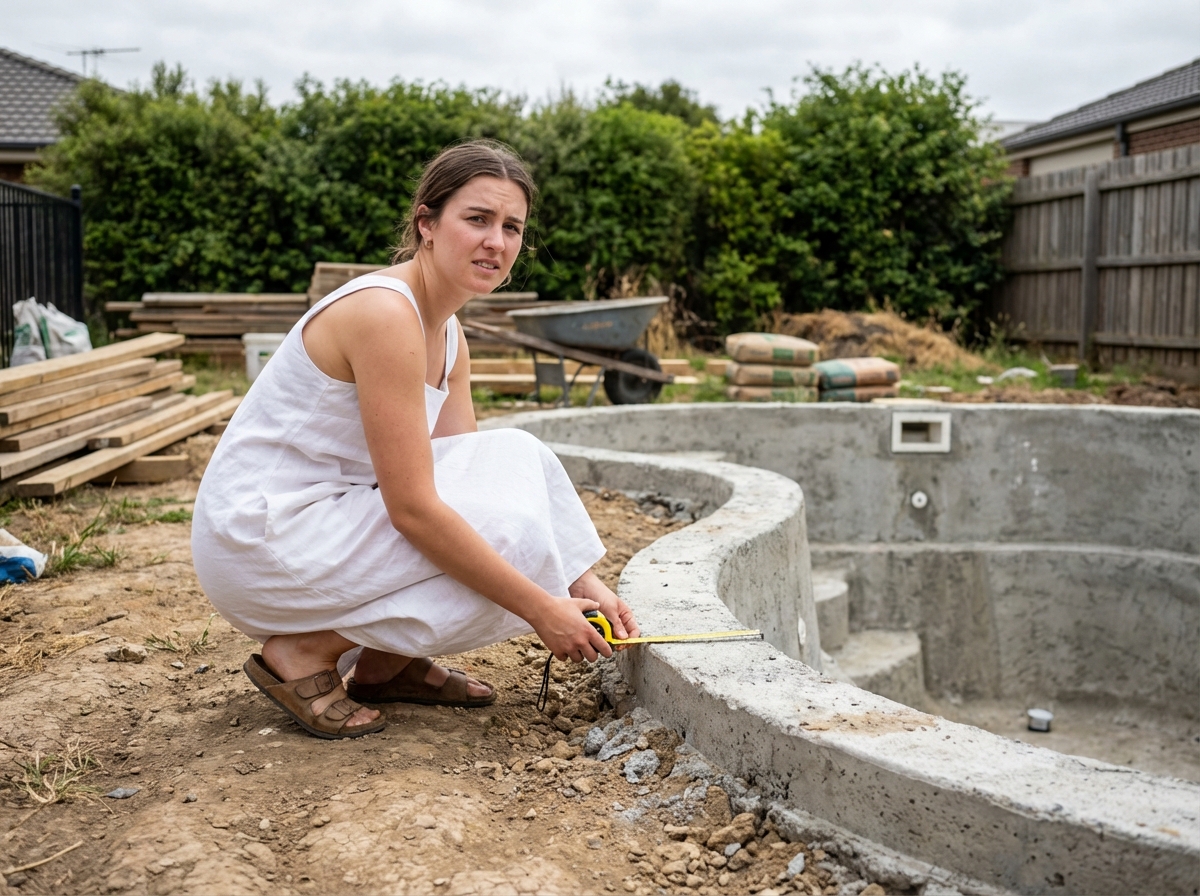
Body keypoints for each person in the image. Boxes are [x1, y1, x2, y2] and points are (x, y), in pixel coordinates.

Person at [191, 140, 640, 739]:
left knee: (517, 458)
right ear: (426, 222)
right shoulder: (384, 314)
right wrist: (542, 608)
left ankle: (385, 666)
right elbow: (415, 509)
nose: (497, 242)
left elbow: (470, 471)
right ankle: (304, 651)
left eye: (512, 227)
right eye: (477, 219)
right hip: (262, 538)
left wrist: (582, 583)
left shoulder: (449, 332)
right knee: (512, 544)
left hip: (329, 520)